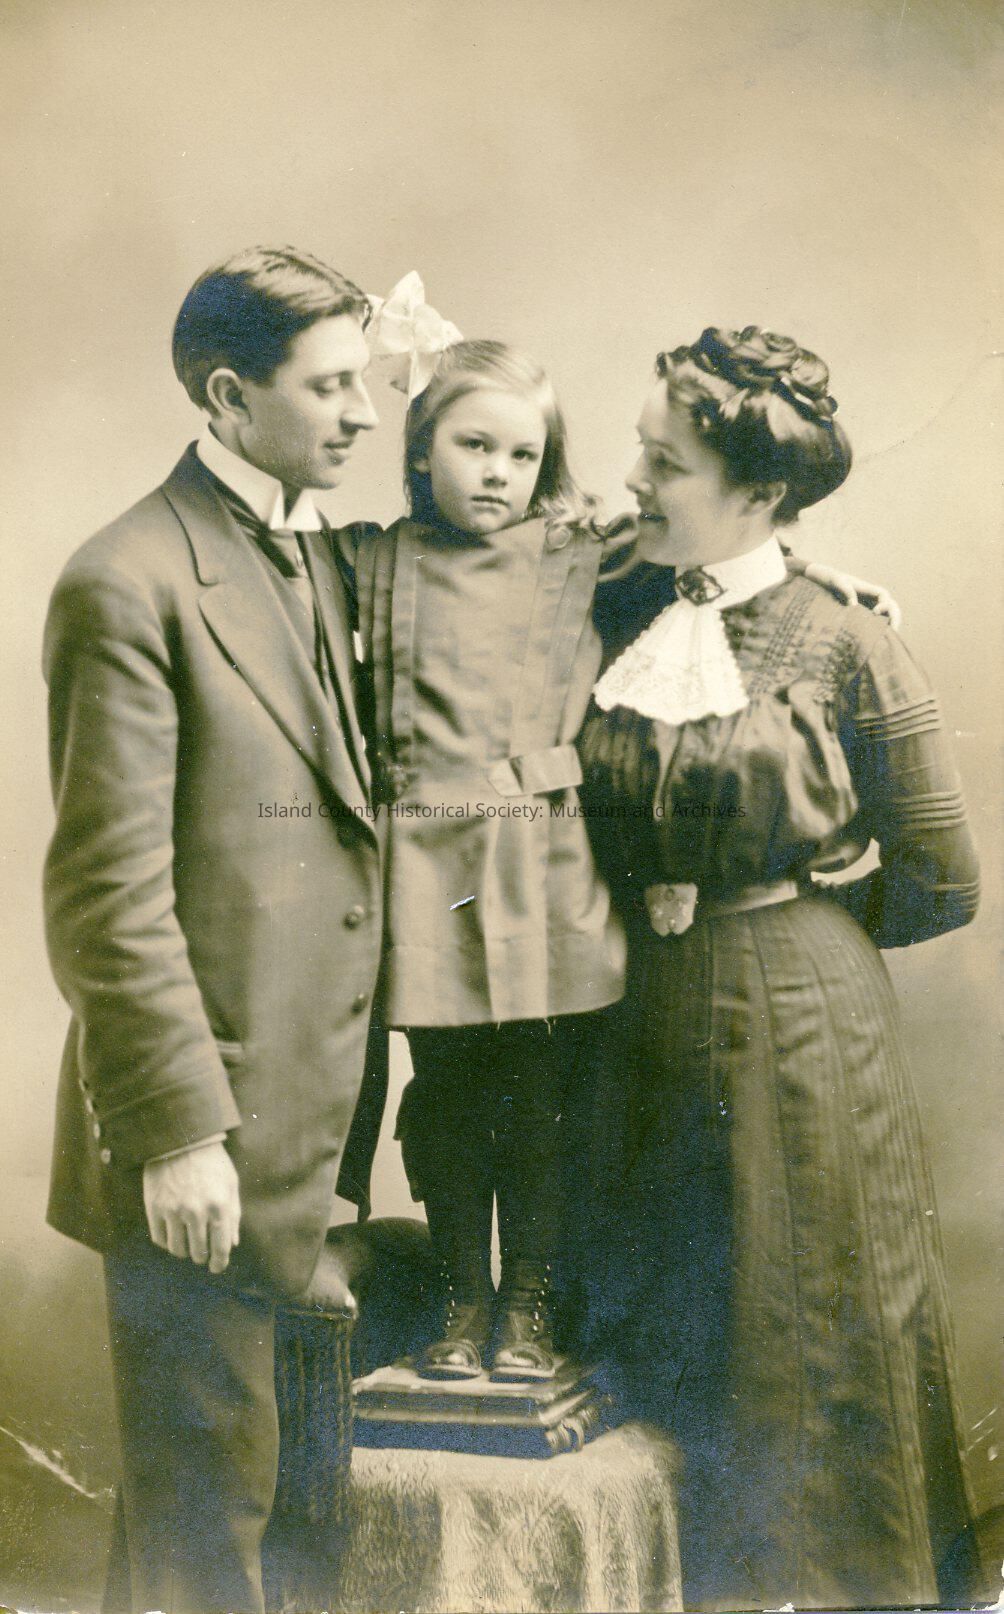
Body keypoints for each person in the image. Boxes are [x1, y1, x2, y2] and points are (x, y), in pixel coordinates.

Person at [577, 326, 981, 1609]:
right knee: (652, 1336)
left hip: (798, 1032)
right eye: (640, 450)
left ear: (755, 490)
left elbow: (942, 879)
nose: (634, 478)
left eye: (665, 462)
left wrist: (796, 921)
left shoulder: (849, 643)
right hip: (625, 1020)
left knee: (792, 1330)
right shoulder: (615, 606)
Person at [42, 246, 382, 1614]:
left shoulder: (329, 552)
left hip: (311, 1128)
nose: (366, 412)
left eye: (365, 380)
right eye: (332, 385)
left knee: (263, 1523)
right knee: (207, 1533)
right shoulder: (125, 579)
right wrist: (177, 1134)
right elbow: (106, 896)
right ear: (231, 396)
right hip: (206, 1137)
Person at [341, 336, 627, 1382]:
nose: (498, 473)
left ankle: (528, 1305)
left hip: (542, 861)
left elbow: (722, 563)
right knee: (450, 1093)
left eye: (521, 453)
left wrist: (818, 571)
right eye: (473, 446)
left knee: (542, 1094)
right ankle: (462, 1297)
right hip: (426, 867)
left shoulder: (582, 551)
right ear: (422, 449)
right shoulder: (372, 560)